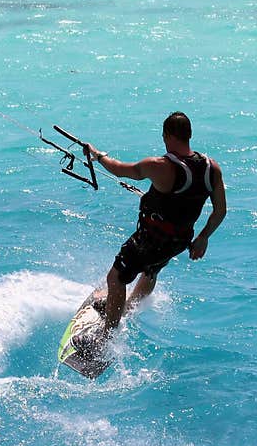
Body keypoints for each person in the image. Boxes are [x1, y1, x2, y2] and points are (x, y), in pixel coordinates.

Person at [84, 111, 227, 340]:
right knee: (150, 270)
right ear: (189, 135)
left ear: (167, 135)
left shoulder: (159, 166)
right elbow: (220, 210)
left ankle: (106, 336)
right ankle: (126, 308)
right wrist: (203, 237)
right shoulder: (212, 168)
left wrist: (98, 156)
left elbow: (119, 168)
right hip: (179, 241)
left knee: (116, 278)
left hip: (150, 240)